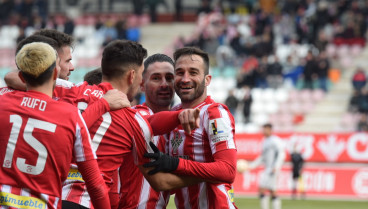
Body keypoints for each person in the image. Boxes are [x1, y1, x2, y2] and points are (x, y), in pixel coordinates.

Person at [51, 40, 201, 209]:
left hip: (51, 199)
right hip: (87, 202)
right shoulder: (134, 120)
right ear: (132, 76)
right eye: (143, 74)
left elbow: (21, 79)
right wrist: (209, 173)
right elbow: (160, 181)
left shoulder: (72, 90)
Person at [0, 42, 109, 209]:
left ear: (21, 77)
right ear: (55, 74)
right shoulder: (71, 116)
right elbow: (95, 183)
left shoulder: (2, 103)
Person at [144, 47, 238, 209]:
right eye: (179, 73)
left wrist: (176, 164)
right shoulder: (173, 115)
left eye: (193, 72)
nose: (185, 79)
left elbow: (228, 171)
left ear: (207, 80)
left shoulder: (214, 114)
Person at [4, 33, 129, 129]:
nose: (72, 67)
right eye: (66, 61)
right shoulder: (63, 101)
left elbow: (11, 77)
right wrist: (102, 104)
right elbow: (70, 131)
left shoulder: (6, 97)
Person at [118, 53, 175, 209]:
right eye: (156, 78)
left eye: (169, 78)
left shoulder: (179, 128)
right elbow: (161, 182)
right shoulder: (134, 117)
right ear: (141, 85)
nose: (164, 84)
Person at [248, 123, 285, 209]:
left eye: (266, 129)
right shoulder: (265, 141)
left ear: (270, 130)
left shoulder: (275, 140)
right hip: (267, 169)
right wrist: (252, 166)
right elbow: (262, 157)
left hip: (273, 169)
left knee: (266, 190)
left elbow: (281, 154)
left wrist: (276, 166)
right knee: (271, 191)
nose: (264, 131)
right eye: (263, 129)